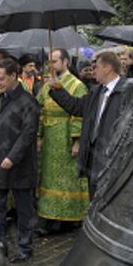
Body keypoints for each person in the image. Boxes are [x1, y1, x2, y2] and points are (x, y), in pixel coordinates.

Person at [48, 51, 133, 197]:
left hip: (112, 159)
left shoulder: (127, 91)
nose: (92, 70)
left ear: (107, 68)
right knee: (94, 198)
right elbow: (76, 107)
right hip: (93, 158)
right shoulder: (96, 91)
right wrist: (57, 89)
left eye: (96, 67)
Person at [0, 58, 40, 262]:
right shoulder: (2, 98)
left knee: (24, 208)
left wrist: (12, 157)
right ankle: (0, 243)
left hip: (21, 164)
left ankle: (25, 247)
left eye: (1, 79)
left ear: (12, 76)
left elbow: (28, 133)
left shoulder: (29, 101)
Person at [37, 48, 90, 233]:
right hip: (51, 139)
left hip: (66, 137)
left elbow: (80, 115)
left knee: (66, 180)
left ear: (66, 62)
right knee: (50, 179)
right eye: (49, 62)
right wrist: (39, 135)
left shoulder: (77, 85)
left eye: (54, 61)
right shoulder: (47, 85)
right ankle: (49, 216)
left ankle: (66, 218)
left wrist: (77, 141)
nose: (50, 65)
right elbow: (41, 110)